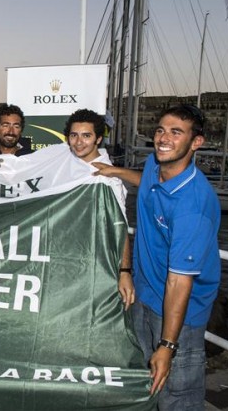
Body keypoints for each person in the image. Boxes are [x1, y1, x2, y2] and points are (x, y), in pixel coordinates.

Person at [93, 104, 220, 410]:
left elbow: (179, 284)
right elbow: (146, 181)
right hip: (145, 295)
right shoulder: (155, 163)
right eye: (161, 129)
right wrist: (115, 172)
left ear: (196, 142)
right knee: (144, 380)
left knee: (176, 394)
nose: (164, 138)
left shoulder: (193, 205)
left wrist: (167, 346)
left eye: (176, 132)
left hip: (180, 316)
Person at [63, 109, 134, 311]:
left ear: (98, 139)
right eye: (74, 135)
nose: (79, 142)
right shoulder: (65, 166)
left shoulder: (108, 179)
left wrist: (125, 271)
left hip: (98, 265)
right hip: (67, 262)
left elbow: (120, 227)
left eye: (86, 136)